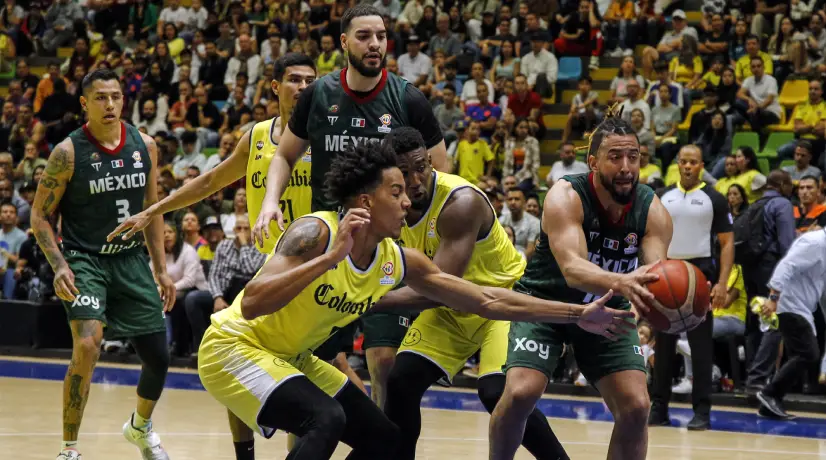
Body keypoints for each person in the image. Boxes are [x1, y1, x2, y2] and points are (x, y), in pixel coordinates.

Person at [197, 139, 634, 460]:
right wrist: (331, 260)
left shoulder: (395, 258)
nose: (408, 200)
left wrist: (579, 314)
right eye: (396, 192)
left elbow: (487, 300)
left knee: (386, 441)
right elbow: (252, 303)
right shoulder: (317, 232)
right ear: (366, 201)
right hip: (235, 347)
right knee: (326, 419)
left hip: (293, 356)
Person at [107, 53, 317, 460]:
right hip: (263, 269)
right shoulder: (256, 136)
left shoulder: (325, 136)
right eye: (294, 79)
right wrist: (156, 209)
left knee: (309, 378)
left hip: (311, 272)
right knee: (233, 366)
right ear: (274, 87)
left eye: (311, 80)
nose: (304, 88)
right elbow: (210, 180)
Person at [251, 4, 450, 410]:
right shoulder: (319, 95)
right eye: (364, 36)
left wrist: (414, 221)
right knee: (308, 361)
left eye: (380, 35)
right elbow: (284, 156)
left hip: (384, 249)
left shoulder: (407, 99)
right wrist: (270, 201)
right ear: (344, 42)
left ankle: (384, 442)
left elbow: (438, 169)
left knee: (384, 361)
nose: (374, 43)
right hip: (331, 248)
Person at [489, 109, 674, 460]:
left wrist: (673, 301)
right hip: (547, 303)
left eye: (633, 157)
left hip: (608, 308)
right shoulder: (565, 195)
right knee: (520, 394)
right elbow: (573, 269)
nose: (625, 167)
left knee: (636, 407)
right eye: (615, 156)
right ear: (592, 161)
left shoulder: (651, 209)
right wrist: (624, 281)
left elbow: (656, 273)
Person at [378, 127, 568, 460]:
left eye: (421, 166)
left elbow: (440, 290)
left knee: (497, 393)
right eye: (404, 173)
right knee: (400, 381)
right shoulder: (392, 202)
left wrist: (366, 302)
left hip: (502, 302)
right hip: (454, 308)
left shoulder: (459, 202)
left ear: (431, 162)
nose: (416, 179)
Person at [30, 69, 176, 460]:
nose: (110, 104)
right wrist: (60, 265)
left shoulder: (145, 144)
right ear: (85, 103)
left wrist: (161, 269)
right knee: (89, 344)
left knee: (159, 358)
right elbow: (39, 217)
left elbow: (153, 209)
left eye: (115, 96)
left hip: (130, 260)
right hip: (85, 260)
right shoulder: (68, 152)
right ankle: (70, 448)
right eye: (100, 98)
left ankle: (140, 427)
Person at [651, 145, 734, 431]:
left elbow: (726, 243)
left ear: (701, 166)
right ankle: (658, 407)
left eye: (693, 162)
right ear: (677, 163)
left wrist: (722, 283)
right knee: (662, 348)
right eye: (683, 162)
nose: (688, 166)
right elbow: (652, 238)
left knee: (701, 349)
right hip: (666, 274)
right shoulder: (661, 196)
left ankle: (702, 411)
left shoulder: (715, 198)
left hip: (700, 276)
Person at [756, 228, 826, 419]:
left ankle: (769, 404)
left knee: (800, 354)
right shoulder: (815, 243)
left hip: (801, 307)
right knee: (808, 354)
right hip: (788, 303)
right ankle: (770, 393)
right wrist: (773, 297)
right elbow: (786, 265)